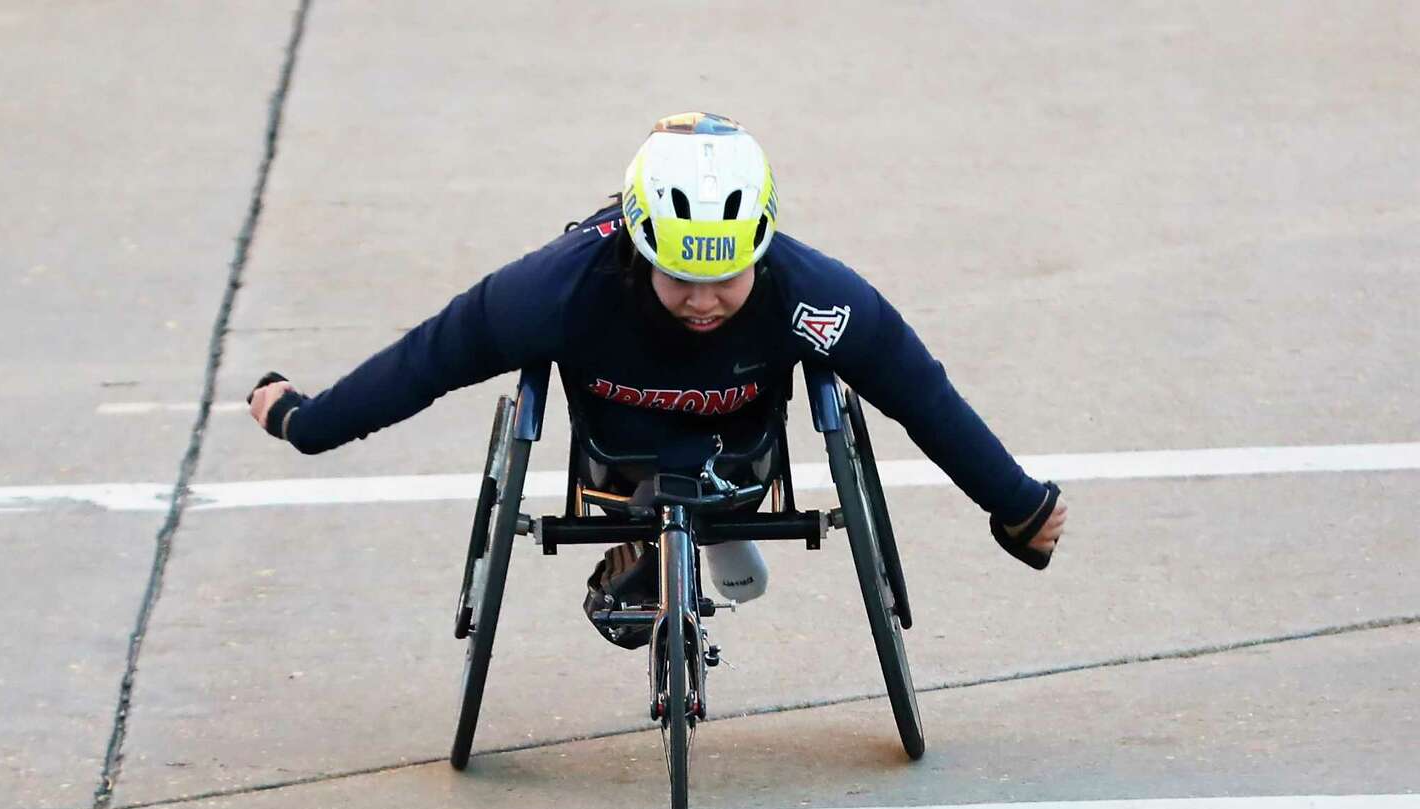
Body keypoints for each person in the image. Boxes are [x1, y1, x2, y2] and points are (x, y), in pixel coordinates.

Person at [249, 111, 1067, 646]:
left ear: (760, 244)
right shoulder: (557, 288)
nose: (705, 301)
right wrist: (306, 422)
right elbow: (426, 360)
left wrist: (1017, 503)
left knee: (734, 473)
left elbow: (918, 390)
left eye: (727, 277)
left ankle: (695, 530)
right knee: (639, 493)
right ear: (637, 243)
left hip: (742, 457)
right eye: (680, 277)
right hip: (615, 459)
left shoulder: (814, 294)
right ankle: (649, 540)